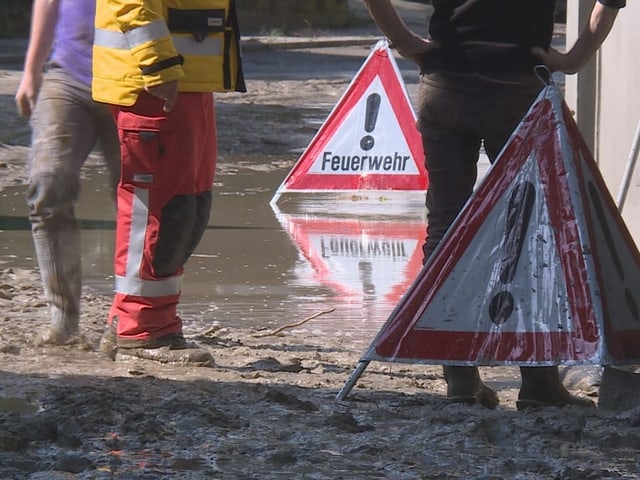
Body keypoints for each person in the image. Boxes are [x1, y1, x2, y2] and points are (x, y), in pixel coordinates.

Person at [363, 0, 625, 409]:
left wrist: (402, 41)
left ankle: (460, 378)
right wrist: (576, 58)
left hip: (447, 84)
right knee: (530, 230)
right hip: (519, 90)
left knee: (446, 229)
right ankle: (539, 382)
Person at [93, 0, 246, 366]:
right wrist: (159, 64)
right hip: (155, 82)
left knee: (188, 207)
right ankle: (143, 329)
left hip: (184, 78)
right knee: (158, 210)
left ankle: (131, 318)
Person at [15, 0, 121, 346]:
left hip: (135, 81)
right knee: (48, 183)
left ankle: (131, 317)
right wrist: (32, 70)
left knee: (140, 200)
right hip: (69, 76)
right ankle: (62, 321)